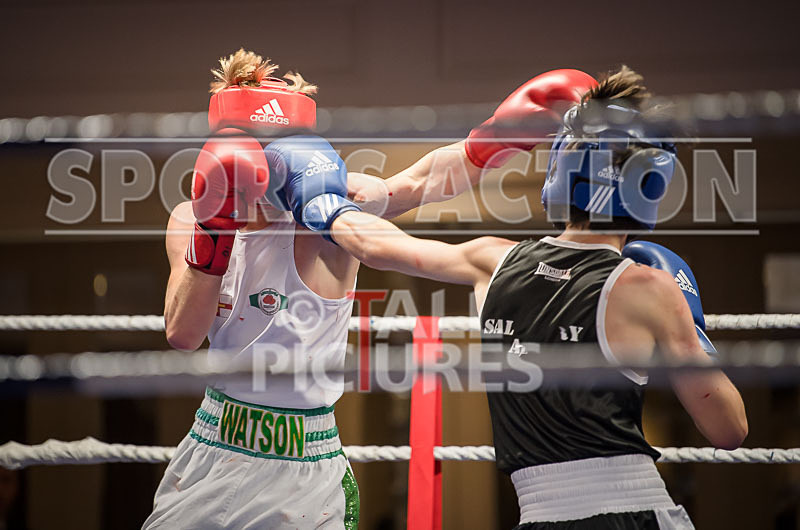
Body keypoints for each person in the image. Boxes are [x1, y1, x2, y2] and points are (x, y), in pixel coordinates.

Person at [326, 66, 748, 529]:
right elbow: (729, 430)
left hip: (539, 513)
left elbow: (375, 246)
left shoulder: (490, 260)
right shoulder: (649, 288)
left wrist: (319, 199)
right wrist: (695, 336)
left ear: (561, 166)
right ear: (648, 187)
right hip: (633, 508)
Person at [144, 49, 361, 530]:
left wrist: (486, 145)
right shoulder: (189, 216)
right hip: (214, 444)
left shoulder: (330, 212)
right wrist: (215, 229)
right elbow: (182, 333)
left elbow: (418, 187)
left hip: (304, 465)